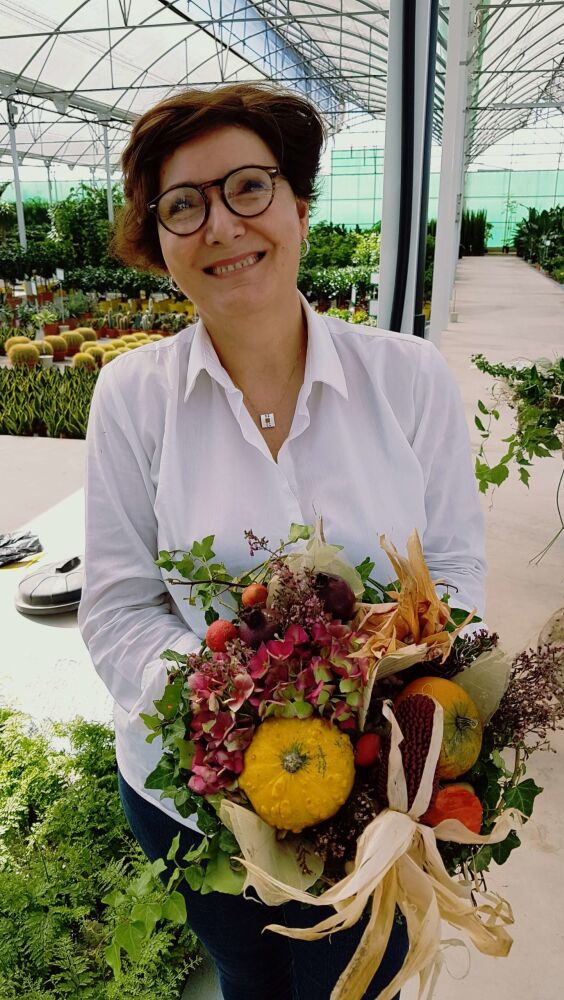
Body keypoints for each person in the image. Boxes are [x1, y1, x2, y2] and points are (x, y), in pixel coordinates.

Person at [78, 83, 486, 1000]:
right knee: (247, 977)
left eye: (248, 188)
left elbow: (454, 568)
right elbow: (117, 607)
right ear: (160, 244)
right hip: (191, 797)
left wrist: (384, 699)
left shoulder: (408, 378)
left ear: (299, 206)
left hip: (372, 798)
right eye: (183, 204)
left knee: (356, 979)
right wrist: (237, 704)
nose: (221, 224)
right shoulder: (133, 398)